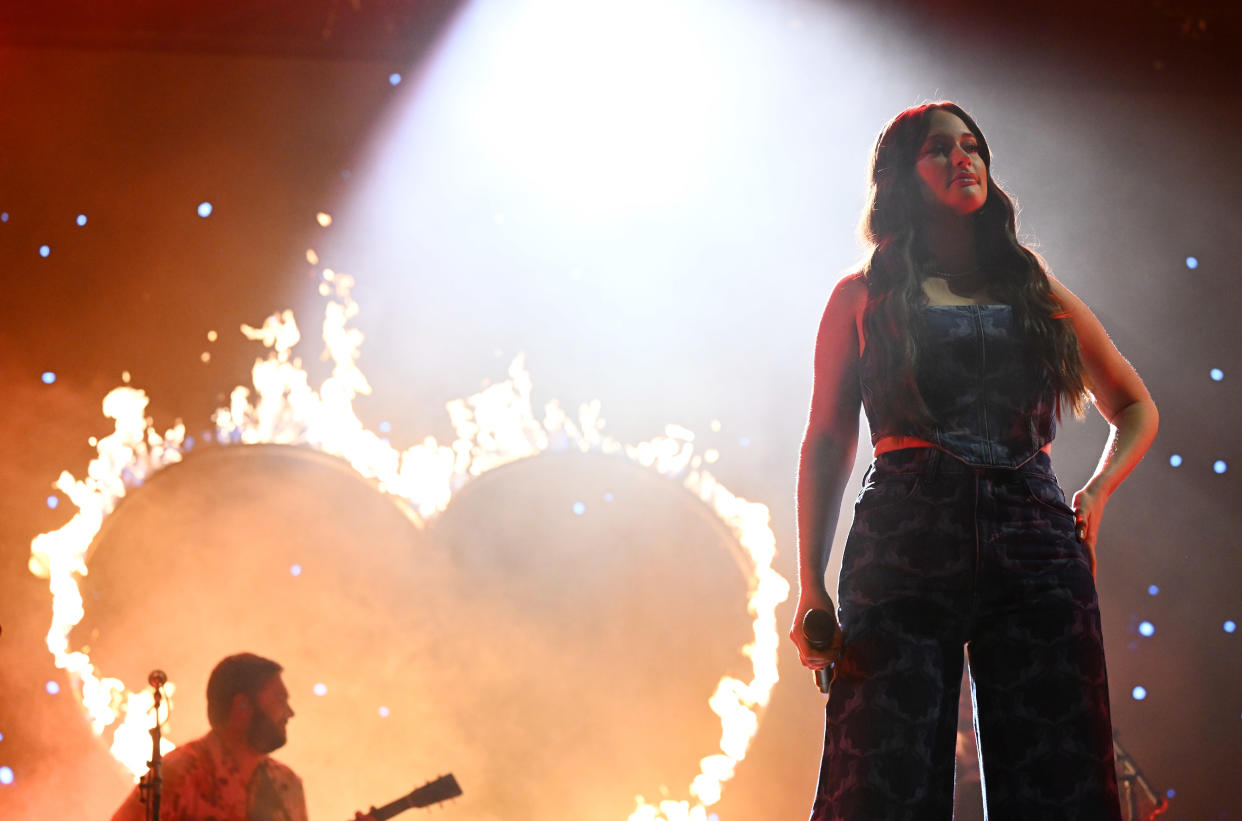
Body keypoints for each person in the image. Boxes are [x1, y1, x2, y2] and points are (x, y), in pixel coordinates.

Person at [788, 101, 1158, 820]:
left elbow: (1136, 405)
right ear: (900, 176)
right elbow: (828, 440)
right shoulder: (861, 295)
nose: (964, 159)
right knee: (877, 783)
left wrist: (1099, 489)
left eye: (973, 147)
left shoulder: (1035, 292)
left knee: (1063, 785)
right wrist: (809, 580)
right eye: (939, 149)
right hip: (904, 540)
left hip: (1036, 540)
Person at [111, 653, 376, 821]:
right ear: (242, 706)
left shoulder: (286, 785)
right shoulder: (179, 775)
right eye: (278, 699)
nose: (290, 713)